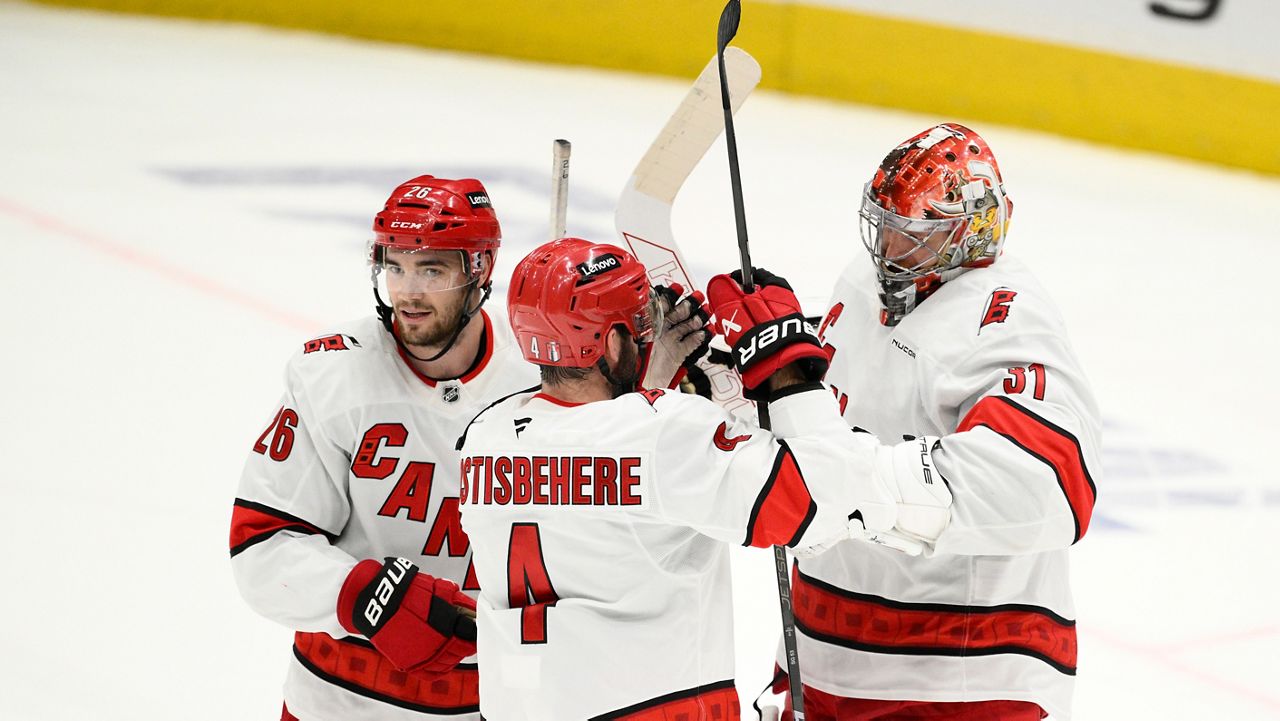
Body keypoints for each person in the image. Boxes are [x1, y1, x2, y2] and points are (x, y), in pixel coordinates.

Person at [456, 237, 950, 720]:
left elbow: (594, 459)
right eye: (639, 322)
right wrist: (787, 371)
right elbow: (827, 498)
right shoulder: (664, 432)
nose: (649, 332)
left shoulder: (484, 435)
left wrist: (653, 379)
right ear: (611, 341)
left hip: (522, 705)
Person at [776, 123, 1102, 721]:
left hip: (956, 683)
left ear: (966, 235)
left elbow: (1048, 487)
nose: (888, 247)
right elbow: (841, 413)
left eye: (912, 235)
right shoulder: (869, 279)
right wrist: (767, 379)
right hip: (823, 654)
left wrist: (836, 480)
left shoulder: (1004, 321)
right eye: (886, 226)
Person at [229, 175, 539, 721]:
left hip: (495, 701)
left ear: (481, 271)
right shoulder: (332, 375)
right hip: (336, 701)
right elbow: (261, 548)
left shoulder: (542, 377)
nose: (408, 292)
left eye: (431, 270)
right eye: (395, 266)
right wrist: (363, 594)